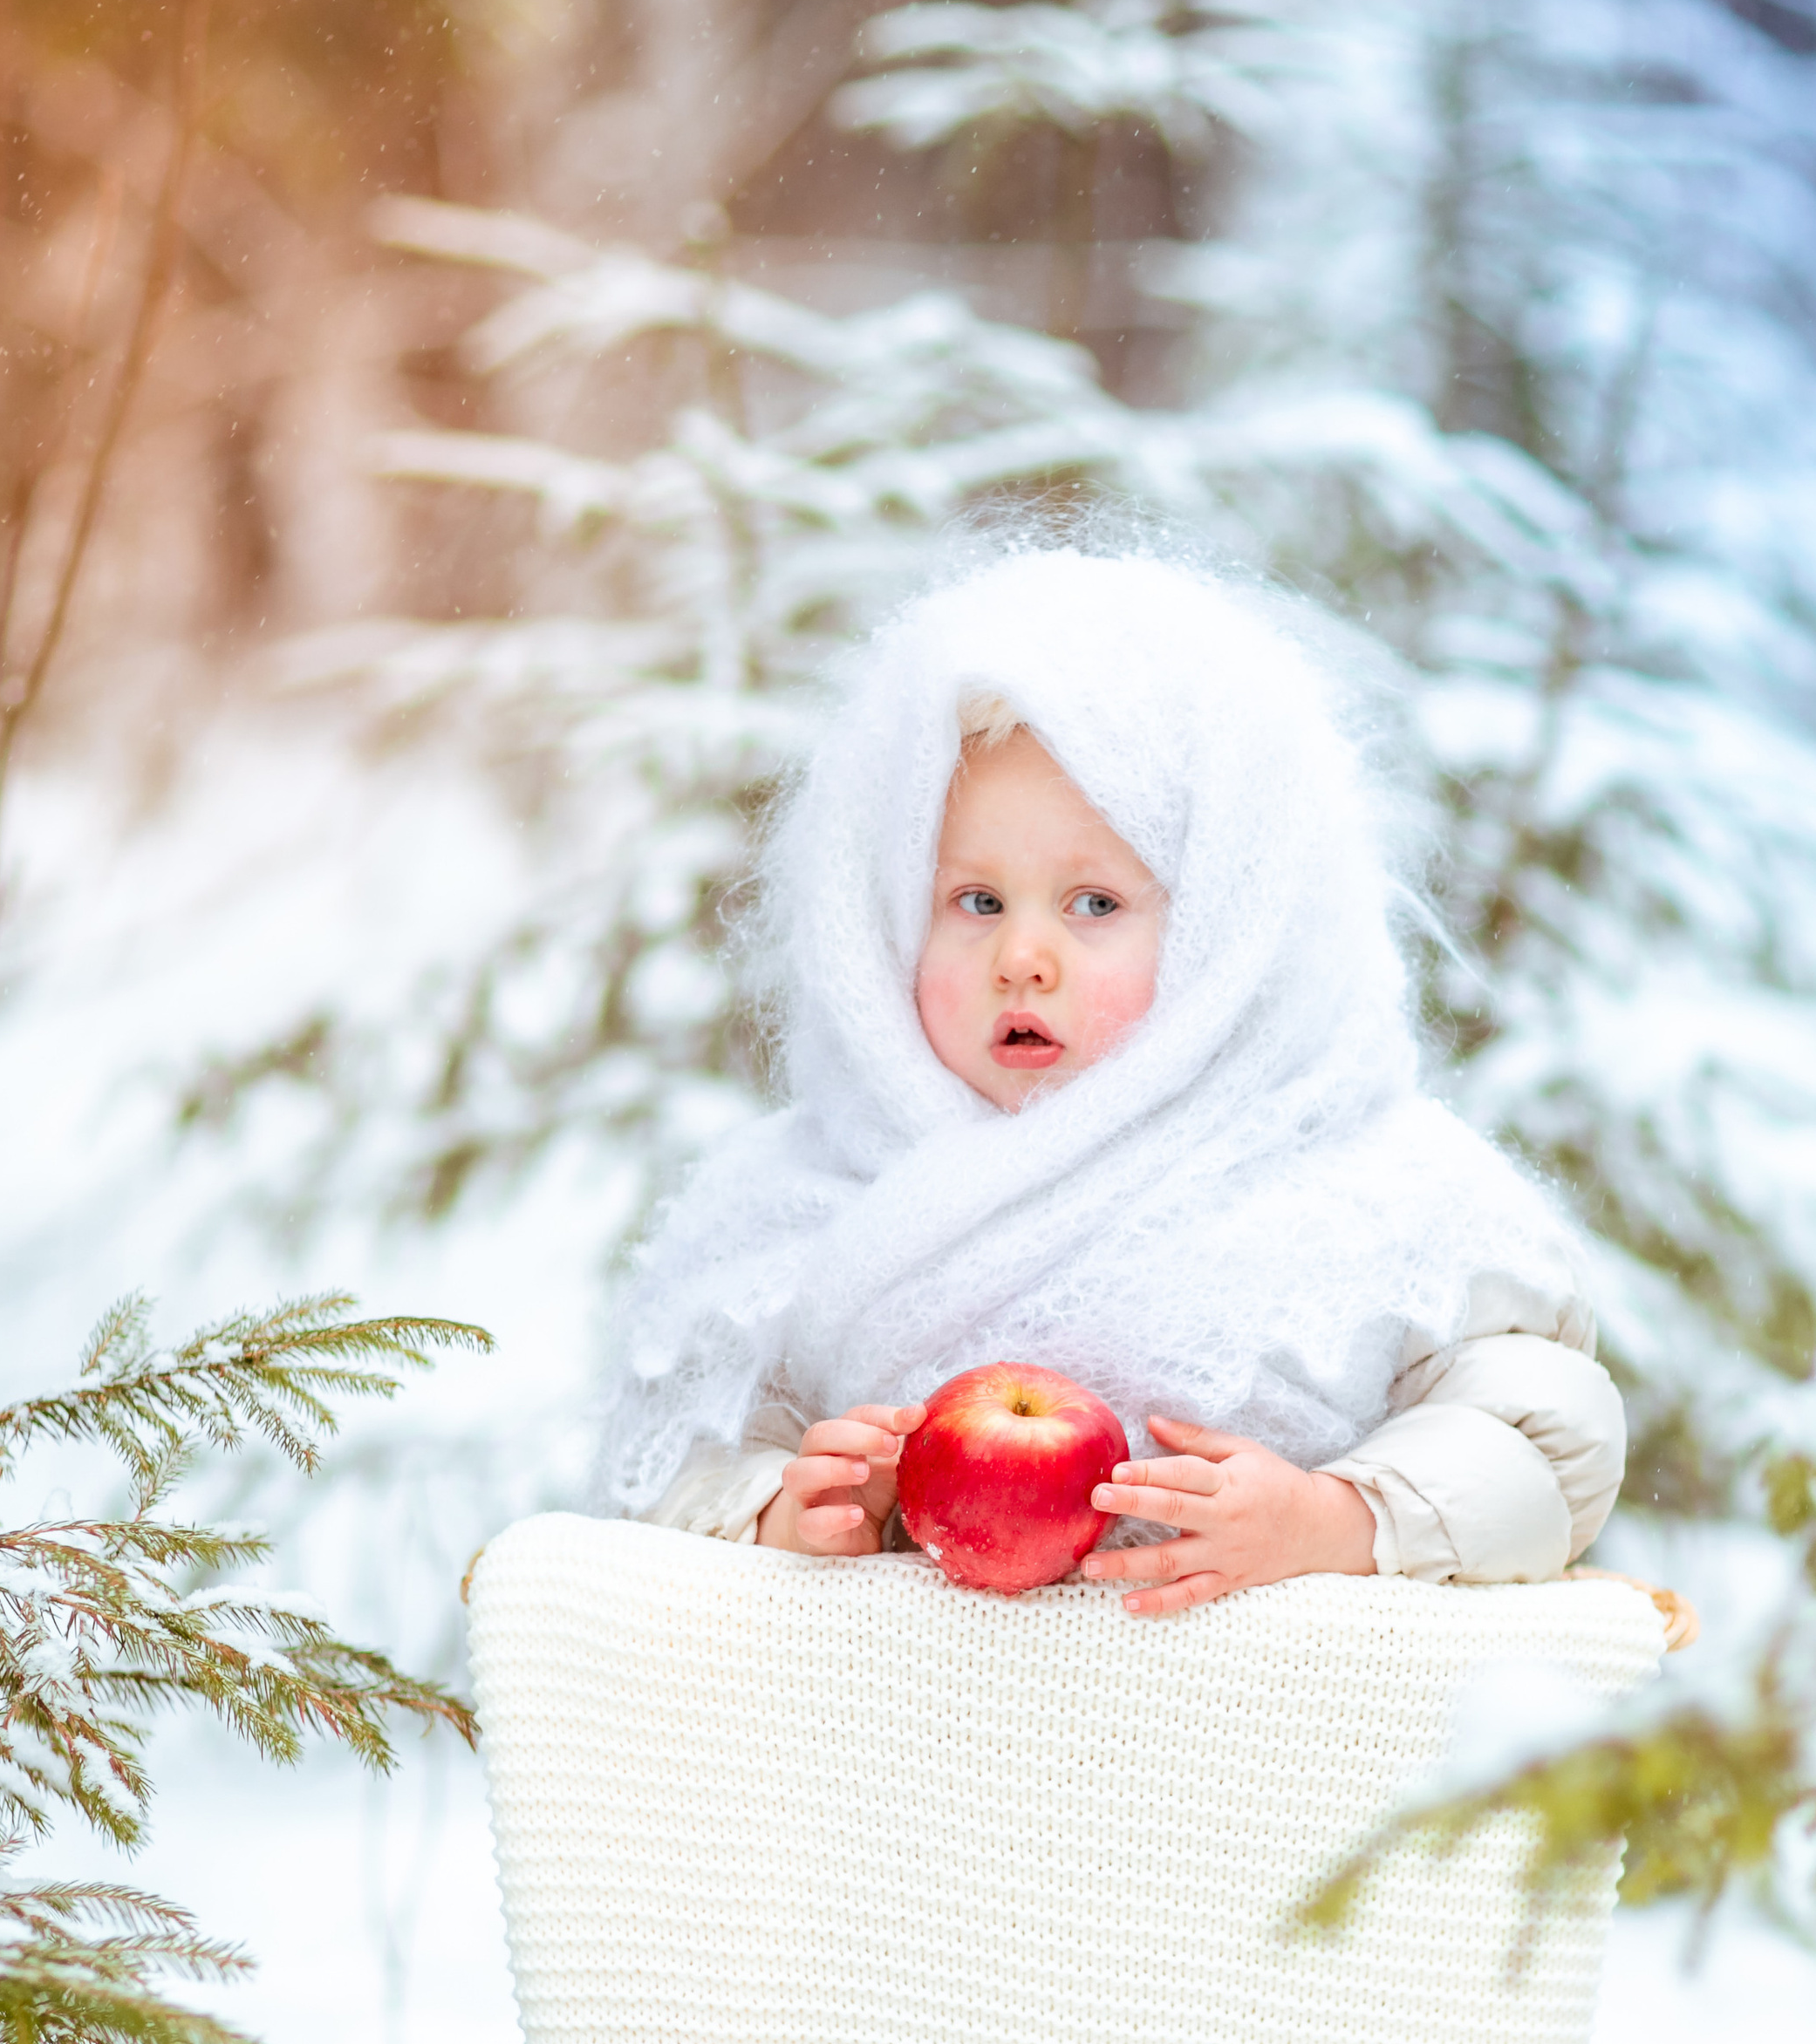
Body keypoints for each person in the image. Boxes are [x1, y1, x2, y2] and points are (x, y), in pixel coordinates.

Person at [598, 546, 1623, 1597]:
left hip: (1265, 1744)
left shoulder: (1375, 1189)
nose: (1021, 958)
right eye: (977, 903)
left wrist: (1335, 1519)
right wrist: (780, 1509)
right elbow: (671, 1463)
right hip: (896, 1746)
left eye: (1094, 905)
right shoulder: (793, 1197)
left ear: (1234, 933)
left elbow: (1544, 1438)